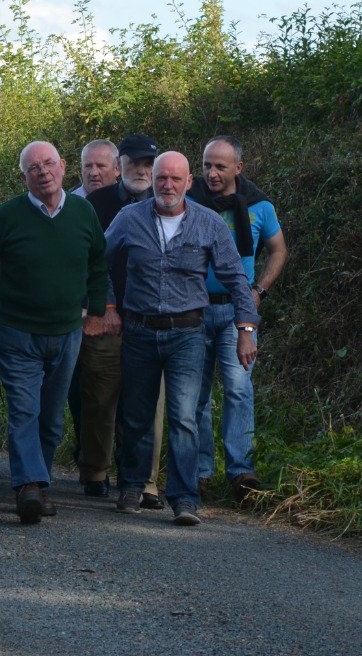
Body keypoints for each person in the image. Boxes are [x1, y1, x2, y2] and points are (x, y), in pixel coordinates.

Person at [105, 151, 260, 526]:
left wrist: (246, 329)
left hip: (188, 333)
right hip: (139, 330)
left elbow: (236, 279)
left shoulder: (208, 224)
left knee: (184, 418)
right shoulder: (129, 219)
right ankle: (131, 485)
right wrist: (109, 304)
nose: (167, 186)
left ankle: (185, 498)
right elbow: (98, 261)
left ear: (189, 183)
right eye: (161, 178)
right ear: (153, 180)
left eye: (176, 179)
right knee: (137, 414)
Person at [0, 142, 109, 524]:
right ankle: (27, 485)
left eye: (49, 164)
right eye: (33, 167)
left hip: (67, 333)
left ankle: (39, 485)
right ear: (23, 176)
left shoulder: (83, 212)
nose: (43, 171)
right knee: (24, 410)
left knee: (51, 416)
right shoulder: (8, 216)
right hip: (18, 333)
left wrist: (95, 313)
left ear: (63, 167)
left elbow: (98, 262)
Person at [187, 135, 287, 500]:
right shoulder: (189, 201)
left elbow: (278, 250)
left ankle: (241, 472)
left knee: (239, 390)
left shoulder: (259, 206)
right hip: (193, 310)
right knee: (194, 394)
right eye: (206, 165)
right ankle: (198, 472)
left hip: (237, 312)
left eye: (220, 167)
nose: (211, 174)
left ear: (238, 169)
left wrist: (258, 291)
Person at [77, 132, 163, 504]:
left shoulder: (171, 204)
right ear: (120, 166)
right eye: (134, 164)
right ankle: (95, 470)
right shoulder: (95, 203)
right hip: (107, 317)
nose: (141, 170)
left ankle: (145, 482)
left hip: (152, 322)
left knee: (149, 406)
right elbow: (90, 261)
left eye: (148, 164)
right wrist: (106, 307)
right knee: (100, 398)